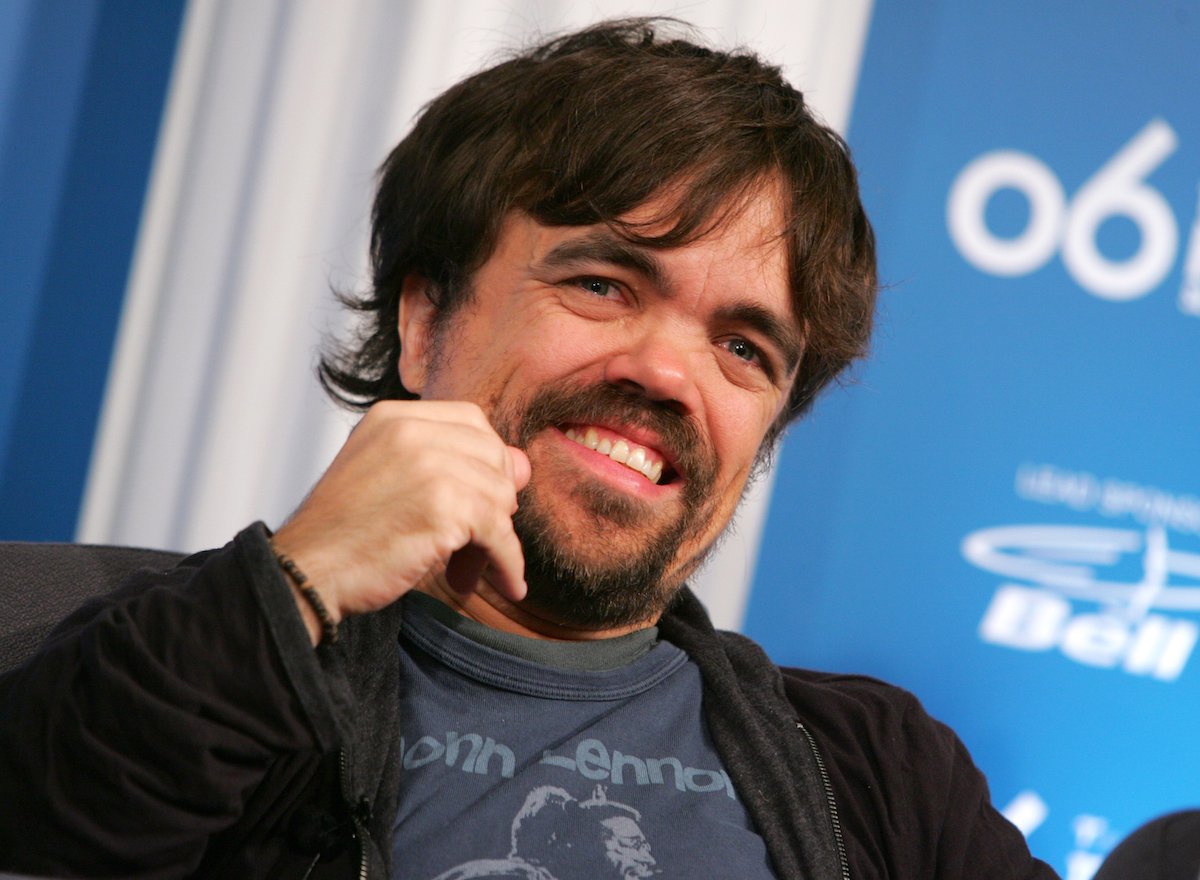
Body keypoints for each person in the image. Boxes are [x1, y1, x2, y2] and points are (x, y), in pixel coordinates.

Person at [0, 18, 1058, 880]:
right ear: (424, 322)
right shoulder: (180, 674)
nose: (667, 373)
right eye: (603, 285)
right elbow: (58, 816)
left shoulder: (876, 769)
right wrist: (299, 581)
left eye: (742, 346)